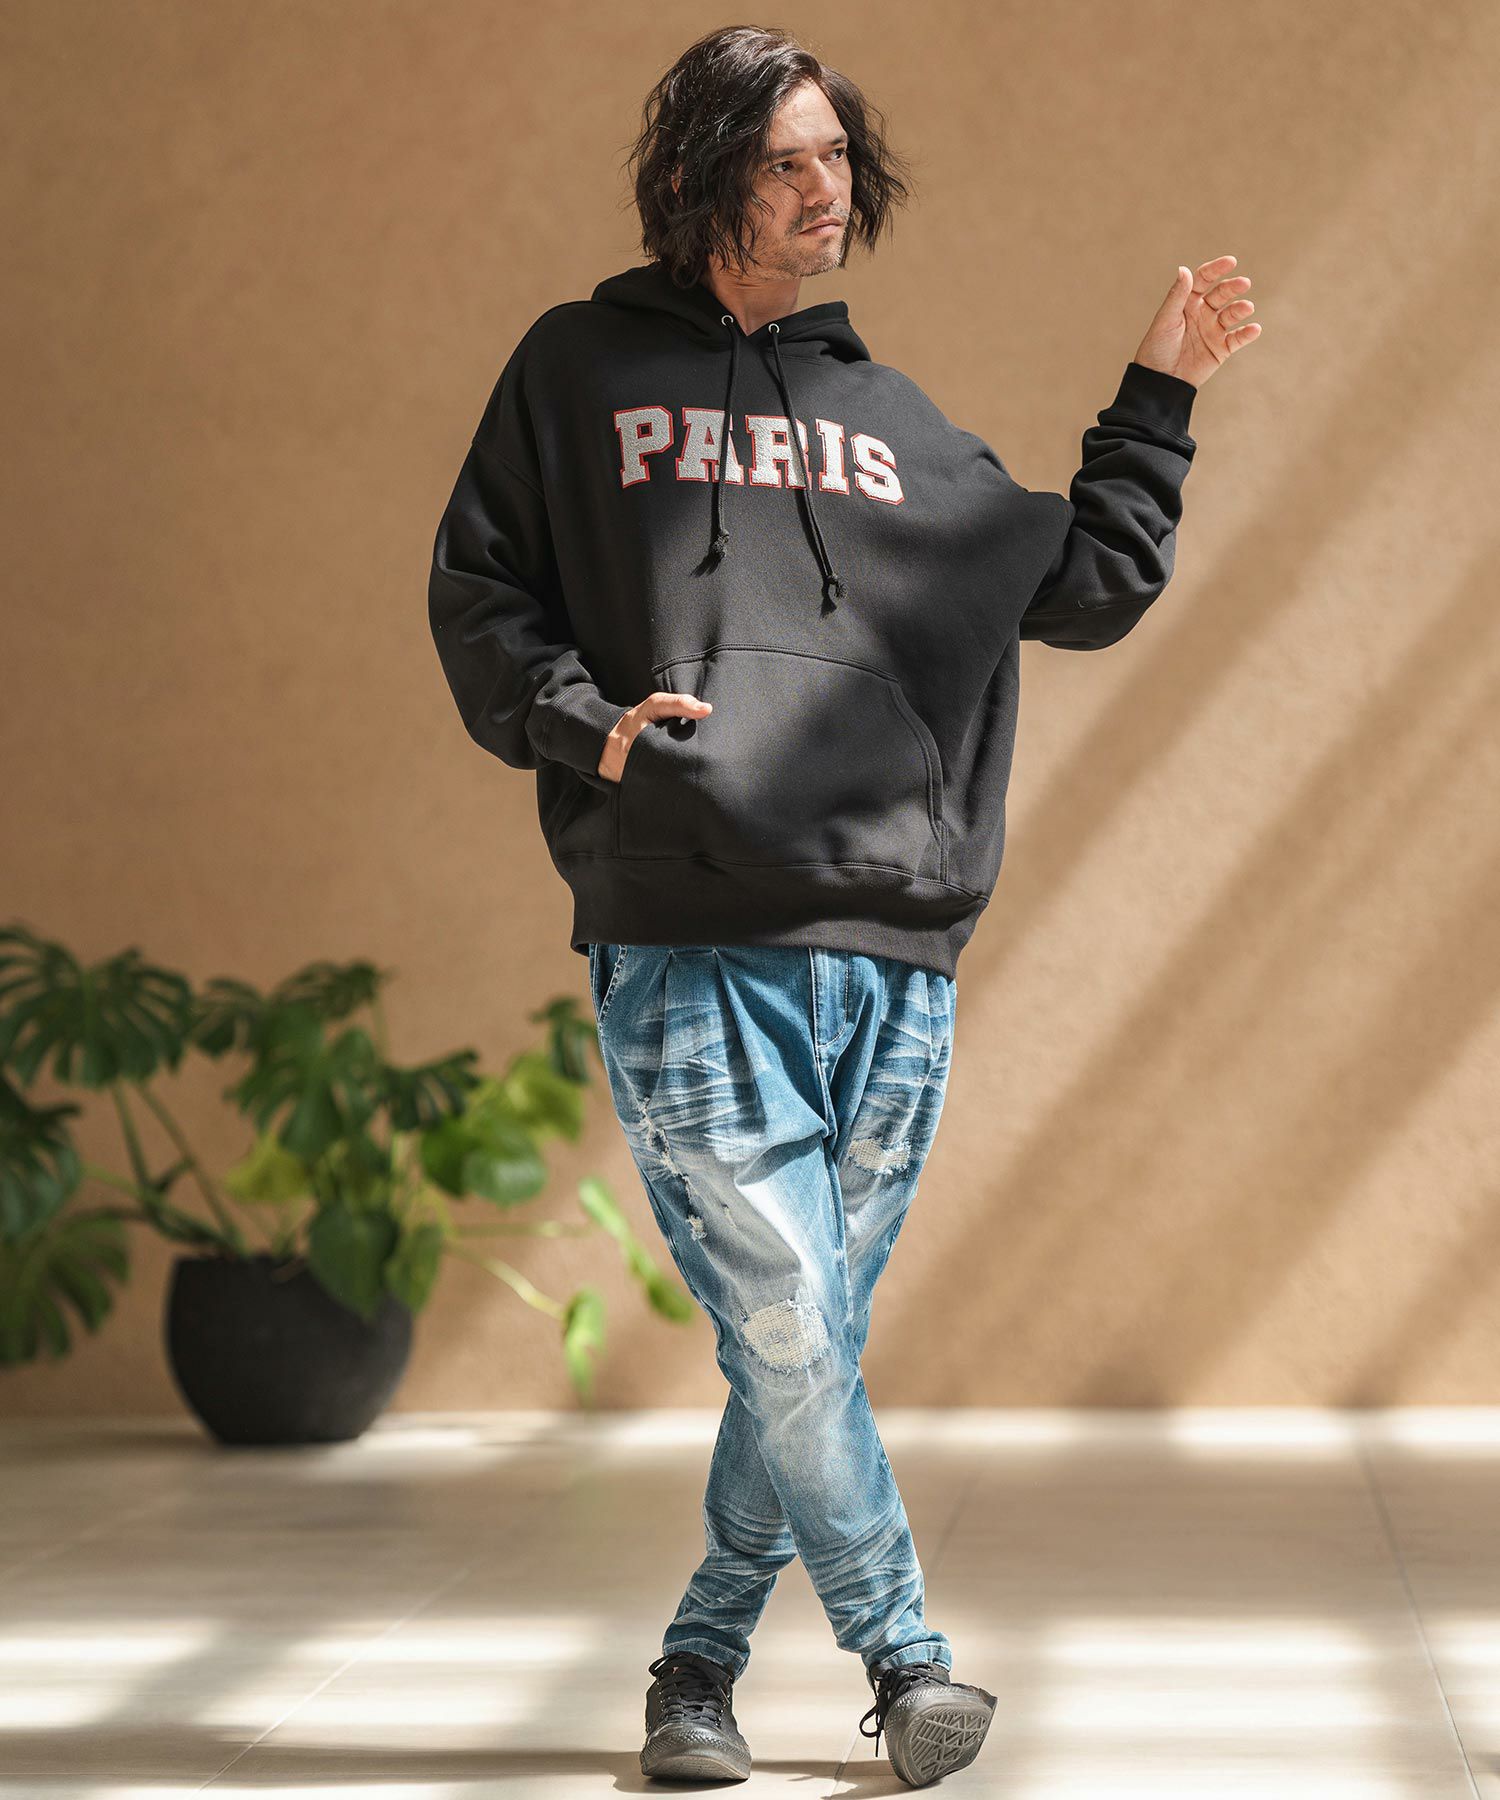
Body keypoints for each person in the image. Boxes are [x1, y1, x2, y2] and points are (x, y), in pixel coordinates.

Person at [427, 23, 1259, 1788]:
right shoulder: (578, 368)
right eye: (787, 160)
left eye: (837, 159)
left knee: (791, 1341)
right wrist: (586, 723)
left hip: (895, 950)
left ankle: (696, 1670)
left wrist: (1159, 387)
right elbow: (482, 594)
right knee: (796, 1319)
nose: (827, 191)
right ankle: (909, 1656)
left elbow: (1085, 580)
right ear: (700, 176)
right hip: (688, 925)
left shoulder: (889, 423)